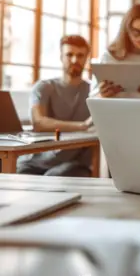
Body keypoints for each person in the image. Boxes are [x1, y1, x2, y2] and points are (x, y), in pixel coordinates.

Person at [17, 35, 94, 177]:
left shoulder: (93, 93)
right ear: (61, 56)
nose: (74, 60)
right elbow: (39, 122)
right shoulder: (43, 87)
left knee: (53, 177)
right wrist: (82, 125)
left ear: (86, 58)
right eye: (69, 54)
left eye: (80, 55)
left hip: (72, 165)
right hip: (32, 162)